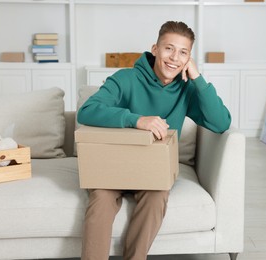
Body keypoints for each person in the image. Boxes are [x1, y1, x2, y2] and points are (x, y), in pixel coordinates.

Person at [77, 21, 231, 260]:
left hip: (153, 171)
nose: (174, 58)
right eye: (169, 48)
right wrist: (136, 120)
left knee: (158, 195)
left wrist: (198, 78)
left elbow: (221, 123)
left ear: (189, 58)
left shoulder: (186, 90)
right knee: (101, 199)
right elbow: (87, 111)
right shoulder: (125, 78)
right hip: (113, 166)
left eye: (183, 52)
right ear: (155, 49)